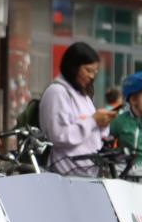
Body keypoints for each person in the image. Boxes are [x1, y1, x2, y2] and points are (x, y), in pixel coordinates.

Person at [39, 42, 116, 175]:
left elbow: (95, 133)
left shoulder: (83, 95)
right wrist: (93, 121)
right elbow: (59, 135)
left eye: (95, 71)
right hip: (66, 172)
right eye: (88, 70)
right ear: (73, 68)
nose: (92, 76)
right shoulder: (57, 92)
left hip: (87, 170)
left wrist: (102, 123)